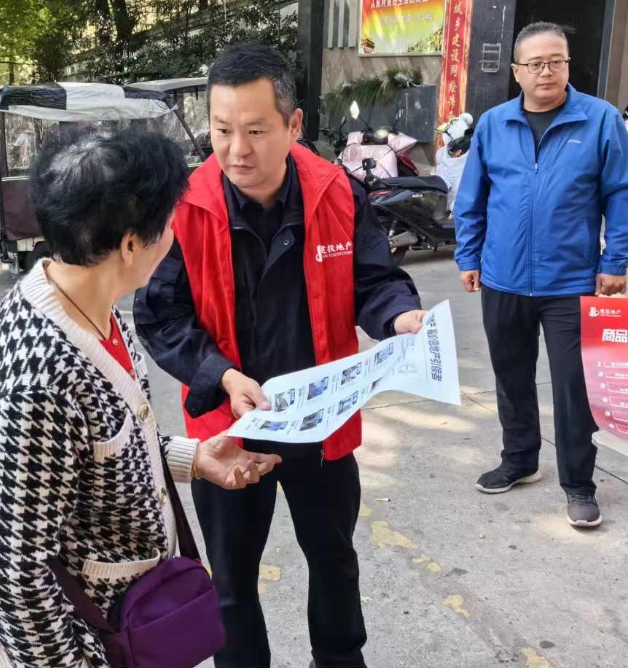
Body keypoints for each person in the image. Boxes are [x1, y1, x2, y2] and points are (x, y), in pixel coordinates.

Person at [134, 43, 425, 668]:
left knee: (335, 559)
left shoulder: (335, 192)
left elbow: (374, 280)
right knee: (231, 580)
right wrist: (221, 375)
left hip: (321, 423)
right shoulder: (185, 207)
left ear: (293, 125)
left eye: (256, 131)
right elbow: (160, 314)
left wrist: (400, 316)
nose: (236, 149)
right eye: (222, 130)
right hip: (230, 429)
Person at [0, 127, 282, 668]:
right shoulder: (36, 387)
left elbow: (98, 447)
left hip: (124, 619)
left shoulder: (91, 306)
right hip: (78, 643)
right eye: (167, 226)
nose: (173, 236)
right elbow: (13, 579)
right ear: (129, 245)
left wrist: (192, 458)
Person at [454, 21, 628, 528]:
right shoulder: (494, 124)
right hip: (503, 276)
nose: (547, 71)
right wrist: (468, 256)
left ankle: (579, 484)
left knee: (572, 387)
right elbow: (472, 196)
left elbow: (623, 194)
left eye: (556, 61)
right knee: (511, 376)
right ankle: (519, 460)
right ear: (516, 71)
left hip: (571, 282)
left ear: (567, 65)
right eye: (535, 63)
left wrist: (615, 262)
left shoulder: (599, 120)